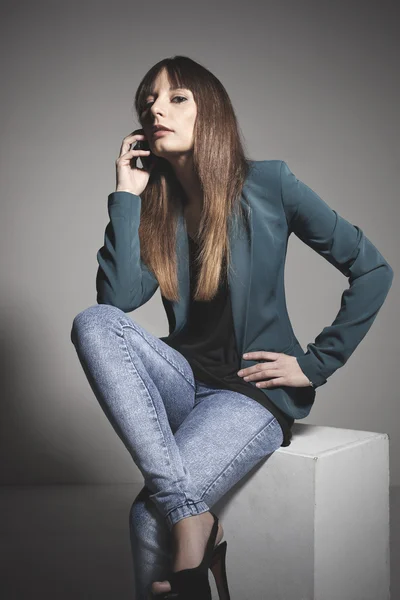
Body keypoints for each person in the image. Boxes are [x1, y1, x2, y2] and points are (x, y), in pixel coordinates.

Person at [70, 55, 394, 599]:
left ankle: (185, 520)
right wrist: (126, 195)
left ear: (210, 111)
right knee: (93, 322)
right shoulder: (156, 205)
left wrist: (316, 364)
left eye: (176, 98)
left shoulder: (271, 184)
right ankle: (197, 520)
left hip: (247, 393)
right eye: (147, 101)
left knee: (149, 518)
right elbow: (119, 299)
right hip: (181, 382)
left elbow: (373, 270)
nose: (155, 109)